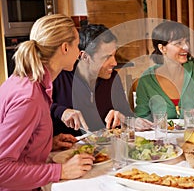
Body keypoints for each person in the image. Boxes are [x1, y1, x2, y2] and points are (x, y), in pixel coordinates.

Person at [0, 14, 94, 191]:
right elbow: (1, 170)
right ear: (65, 48)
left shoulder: (30, 82)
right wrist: (60, 171)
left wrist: (44, 143)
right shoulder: (28, 98)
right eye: (77, 45)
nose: (79, 52)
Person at [51, 24, 153, 137]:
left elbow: (126, 114)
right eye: (106, 57)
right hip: (65, 150)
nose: (114, 63)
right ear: (84, 57)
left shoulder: (112, 78)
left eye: (114, 55)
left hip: (104, 150)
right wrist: (61, 112)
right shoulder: (59, 77)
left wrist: (126, 119)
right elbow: (38, 110)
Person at [135, 21, 194, 123]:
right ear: (162, 48)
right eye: (178, 43)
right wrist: (141, 123)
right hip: (161, 137)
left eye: (186, 41)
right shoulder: (147, 79)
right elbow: (141, 118)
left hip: (192, 137)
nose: (186, 47)